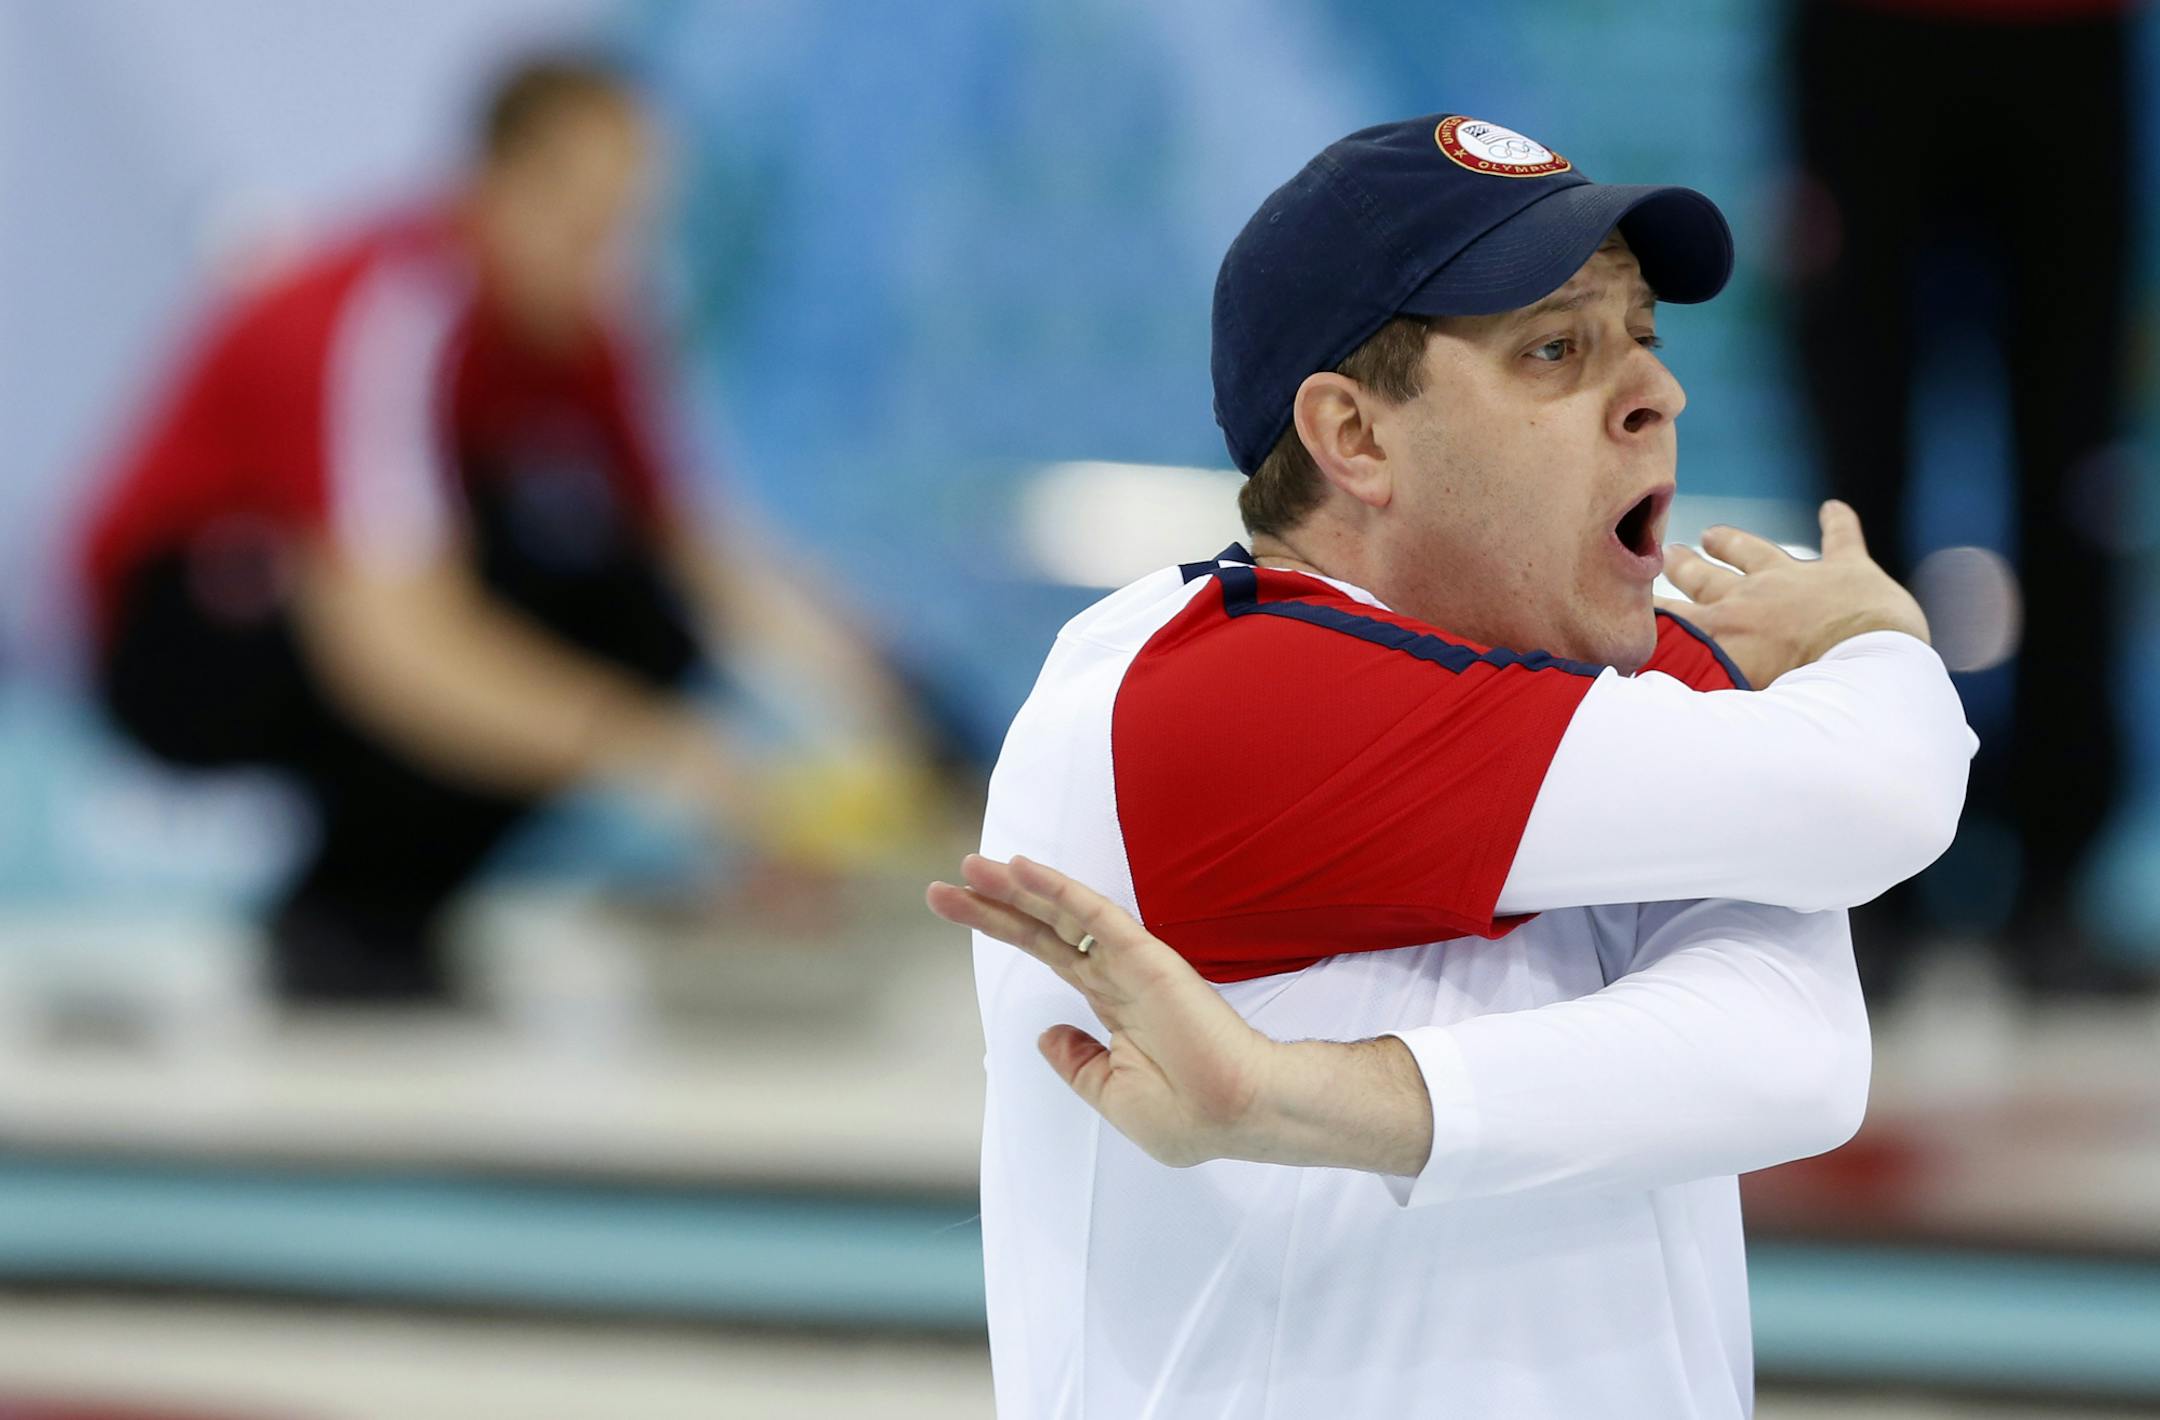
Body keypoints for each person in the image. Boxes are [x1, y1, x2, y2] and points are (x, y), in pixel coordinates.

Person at [932, 114, 1976, 1417]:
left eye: (1643, 335)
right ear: (1353, 437)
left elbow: (1797, 1057)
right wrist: (1873, 639)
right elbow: (1876, 789)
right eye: (1556, 348)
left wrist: (1289, 1098)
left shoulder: (1614, 660)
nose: (1659, 394)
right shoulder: (1195, 695)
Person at [75, 55, 923, 1005]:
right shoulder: (384, 313)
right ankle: (349, 919)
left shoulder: (578, 332)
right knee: (533, 598)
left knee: (631, 604)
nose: (607, 257)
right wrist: (668, 755)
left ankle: (372, 916)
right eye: (584, 221)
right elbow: (391, 642)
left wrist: (889, 706)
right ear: (493, 184)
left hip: (352, 613)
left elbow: (703, 555)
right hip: (189, 632)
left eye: (626, 225)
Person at [1784, 0, 2141, 994]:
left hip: (2068, 37)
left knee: (2078, 477)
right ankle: (1864, 885)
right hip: (1871, 40)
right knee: (1858, 478)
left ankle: (2055, 890)